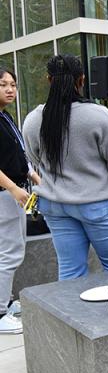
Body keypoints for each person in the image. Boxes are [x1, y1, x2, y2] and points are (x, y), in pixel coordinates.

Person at [22, 55, 108, 279]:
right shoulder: (99, 115)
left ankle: (71, 316)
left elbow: (36, 160)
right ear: (82, 80)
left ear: (49, 80)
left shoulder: (33, 120)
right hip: (98, 205)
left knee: (70, 270)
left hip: (56, 206)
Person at [0, 67, 40, 334]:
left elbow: (16, 154)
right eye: (3, 84)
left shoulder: (5, 116)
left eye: (13, 84)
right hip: (5, 194)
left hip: (14, 191)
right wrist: (14, 188)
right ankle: (1, 312)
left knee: (9, 251)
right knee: (9, 253)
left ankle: (5, 301)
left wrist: (33, 175)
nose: (10, 89)